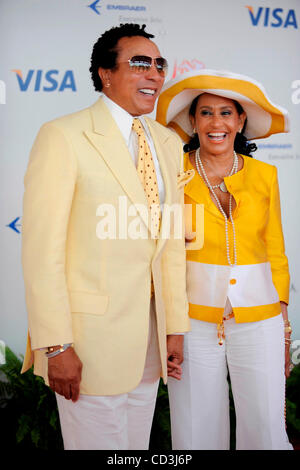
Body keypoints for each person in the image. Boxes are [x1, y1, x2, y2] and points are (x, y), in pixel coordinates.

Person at [20, 23, 191, 450]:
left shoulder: (169, 144)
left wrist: (174, 326)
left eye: (158, 64)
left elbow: (169, 245)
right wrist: (56, 346)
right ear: (105, 73)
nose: (153, 73)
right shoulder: (63, 135)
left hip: (151, 345)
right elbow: (43, 252)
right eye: (139, 63)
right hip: (87, 345)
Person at [156, 69, 293, 450]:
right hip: (192, 322)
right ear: (192, 122)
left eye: (226, 113)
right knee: (196, 427)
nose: (216, 123)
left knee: (266, 425)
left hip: (260, 319)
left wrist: (283, 324)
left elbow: (275, 249)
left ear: (241, 120)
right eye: (206, 113)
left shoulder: (266, 175)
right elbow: (163, 254)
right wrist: (171, 324)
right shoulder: (173, 175)